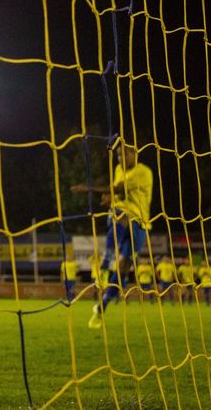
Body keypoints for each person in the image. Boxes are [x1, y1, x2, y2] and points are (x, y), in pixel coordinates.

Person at [74, 141, 153, 329]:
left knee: (125, 266)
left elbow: (118, 189)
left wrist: (90, 189)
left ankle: (102, 307)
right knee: (121, 216)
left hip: (141, 222)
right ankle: (103, 268)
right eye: (118, 155)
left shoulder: (143, 172)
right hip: (122, 215)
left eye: (124, 154)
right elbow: (117, 191)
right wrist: (111, 199)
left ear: (135, 154)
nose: (120, 158)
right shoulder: (119, 169)